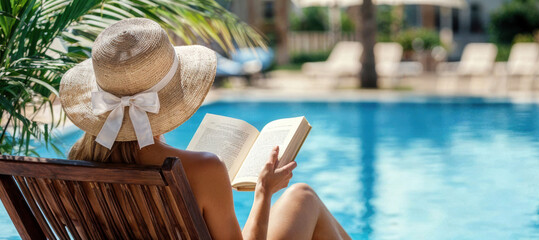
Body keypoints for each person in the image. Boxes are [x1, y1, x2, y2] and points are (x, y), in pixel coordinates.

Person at [60, 18, 351, 240]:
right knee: (303, 196)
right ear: (172, 97)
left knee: (303, 196)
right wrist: (264, 191)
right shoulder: (202, 170)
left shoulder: (74, 166)